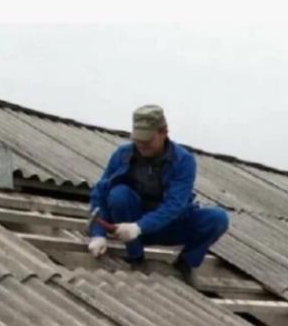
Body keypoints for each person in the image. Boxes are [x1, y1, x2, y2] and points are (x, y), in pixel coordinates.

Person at [87, 105, 228, 281]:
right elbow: (101, 194)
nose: (142, 146)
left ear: (164, 132)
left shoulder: (183, 160)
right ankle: (136, 257)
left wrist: (139, 227)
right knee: (119, 194)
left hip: (166, 225)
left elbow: (174, 206)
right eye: (138, 140)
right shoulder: (123, 154)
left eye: (147, 141)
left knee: (217, 218)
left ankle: (185, 264)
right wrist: (98, 233)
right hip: (129, 226)